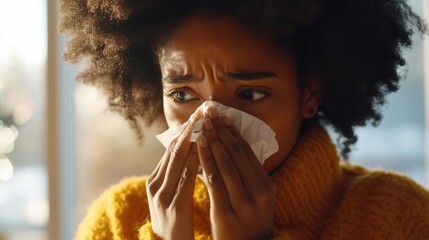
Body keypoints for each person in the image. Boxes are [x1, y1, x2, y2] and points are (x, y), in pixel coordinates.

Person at [59, 0, 429, 239]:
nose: (209, 120)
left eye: (249, 94)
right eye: (182, 95)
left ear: (309, 92)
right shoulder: (117, 221)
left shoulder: (398, 217)